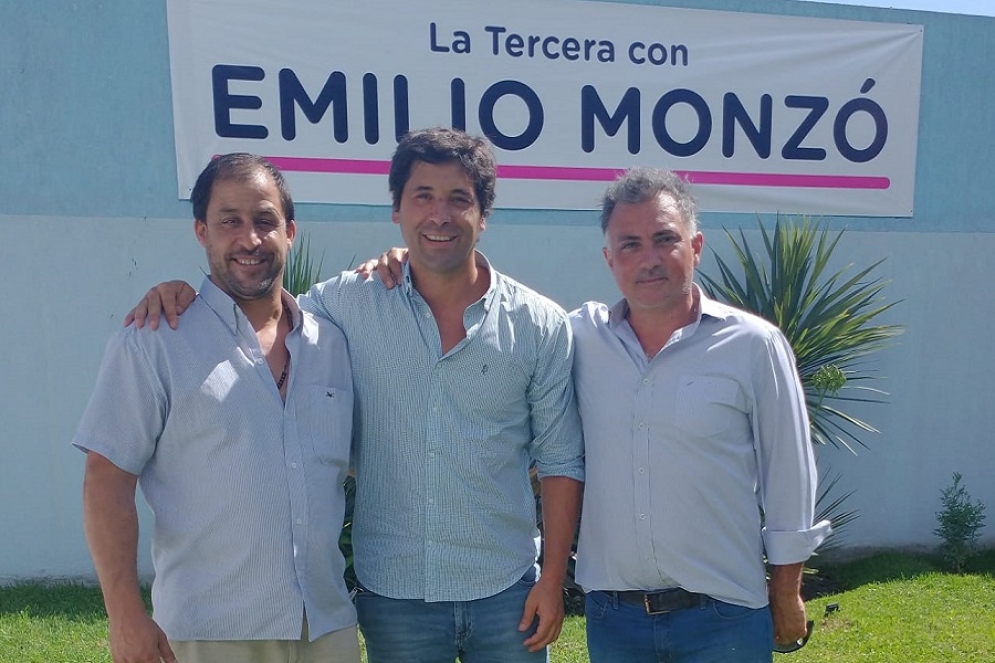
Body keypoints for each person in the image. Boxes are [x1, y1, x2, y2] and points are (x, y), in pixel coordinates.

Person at [127, 127, 585, 662]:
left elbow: (560, 460)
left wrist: (552, 579)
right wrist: (186, 295)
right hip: (395, 597)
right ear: (397, 210)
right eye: (423, 196)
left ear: (483, 215)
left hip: (506, 590)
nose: (439, 215)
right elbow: (263, 308)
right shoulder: (345, 305)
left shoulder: (540, 325)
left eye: (459, 199)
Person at [74, 153, 359, 663]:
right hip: (208, 633)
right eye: (230, 221)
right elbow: (106, 479)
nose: (249, 239)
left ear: (290, 232)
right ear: (201, 231)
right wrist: (124, 616)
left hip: (325, 630)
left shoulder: (332, 344)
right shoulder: (154, 342)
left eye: (265, 220)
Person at [571, 167, 831, 662]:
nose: (649, 259)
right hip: (615, 621)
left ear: (696, 246)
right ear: (610, 259)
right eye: (630, 244)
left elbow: (788, 476)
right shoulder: (580, 340)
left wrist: (786, 591)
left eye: (664, 239)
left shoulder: (754, 345)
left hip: (724, 619)